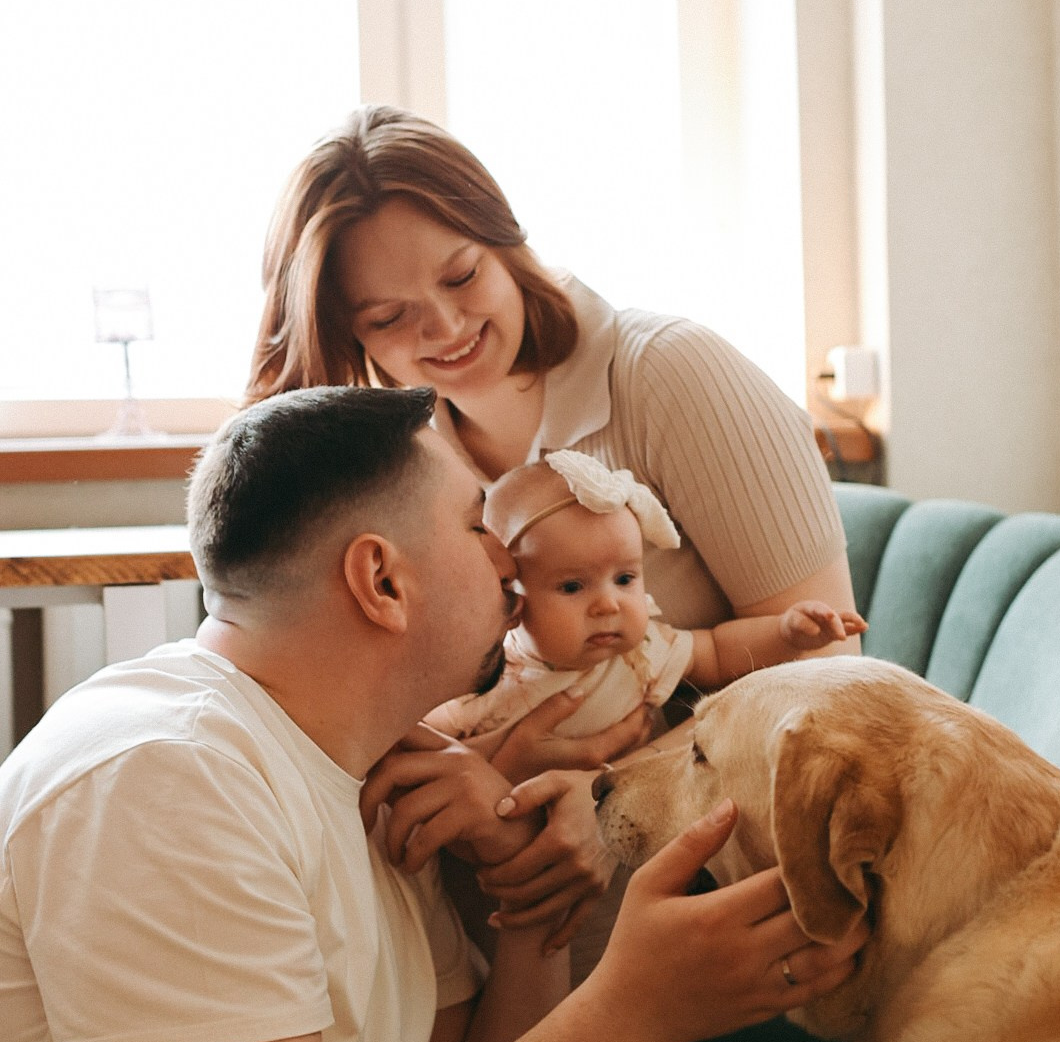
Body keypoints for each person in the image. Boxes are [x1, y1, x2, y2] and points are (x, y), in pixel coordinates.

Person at [0, 385, 866, 1042]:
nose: (512, 557)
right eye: (476, 522)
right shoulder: (164, 775)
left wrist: (529, 895)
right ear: (382, 579)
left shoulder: (377, 772)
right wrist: (630, 1012)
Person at [247, 104, 860, 780]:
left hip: (723, 834)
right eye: (390, 317)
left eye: (462, 277)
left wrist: (602, 797)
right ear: (348, 334)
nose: (447, 325)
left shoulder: (670, 374)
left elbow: (830, 680)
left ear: (505, 244)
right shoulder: (398, 464)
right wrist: (484, 775)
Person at [427, 451, 867, 750]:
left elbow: (717, 651)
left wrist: (787, 632)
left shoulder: (641, 653)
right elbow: (431, 740)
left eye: (624, 578)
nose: (608, 605)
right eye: (572, 587)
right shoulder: (493, 676)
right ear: (511, 596)